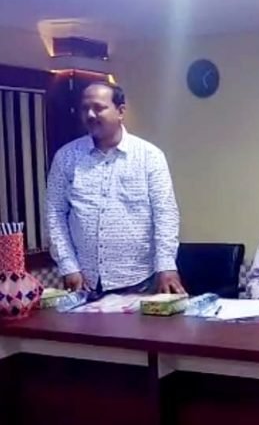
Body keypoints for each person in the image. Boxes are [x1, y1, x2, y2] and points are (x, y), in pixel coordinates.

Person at [46, 82, 184, 297]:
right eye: (85, 108)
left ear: (120, 111)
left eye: (98, 108)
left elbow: (165, 213)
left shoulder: (149, 156)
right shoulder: (66, 157)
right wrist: (68, 265)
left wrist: (166, 265)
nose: (90, 115)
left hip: (140, 281)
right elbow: (55, 213)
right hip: (84, 283)